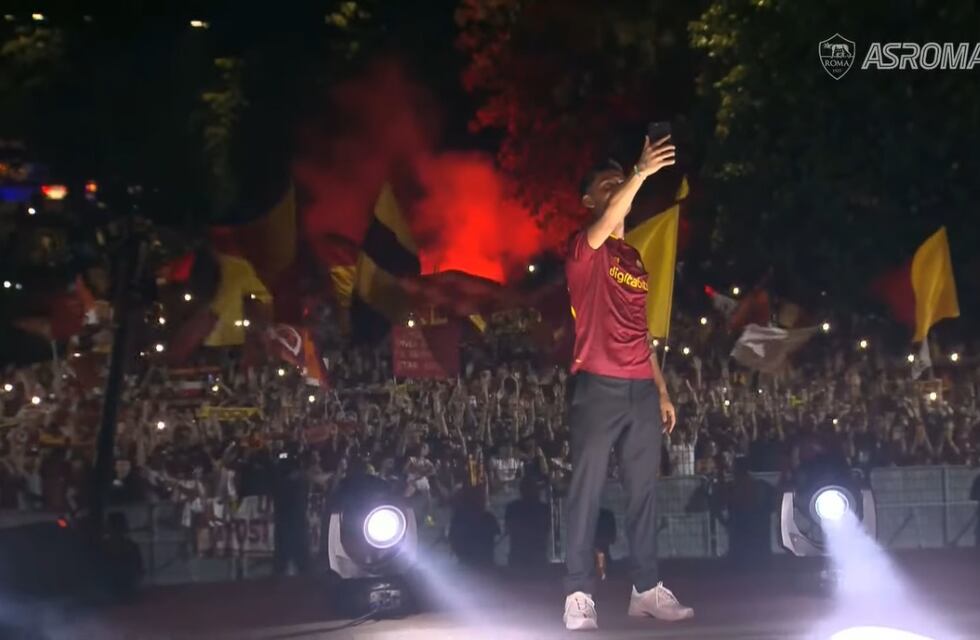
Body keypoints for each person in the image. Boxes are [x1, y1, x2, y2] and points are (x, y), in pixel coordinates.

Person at [562, 133, 693, 631]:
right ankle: (578, 592)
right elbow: (608, 218)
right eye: (607, 185)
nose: (618, 189)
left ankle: (646, 589)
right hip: (597, 387)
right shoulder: (583, 249)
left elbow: (640, 334)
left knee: (643, 494)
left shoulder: (633, 259)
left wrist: (660, 390)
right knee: (587, 492)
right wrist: (638, 172)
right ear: (590, 201)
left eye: (621, 182)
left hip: (640, 387)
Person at [504, 476, 550, 569]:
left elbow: (508, 528)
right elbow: (547, 529)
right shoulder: (544, 509)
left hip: (519, 559)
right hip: (536, 558)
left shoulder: (512, 508)